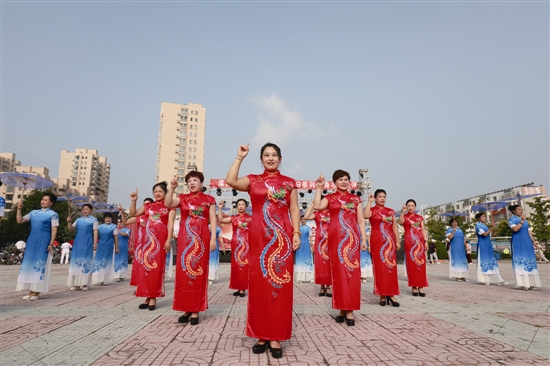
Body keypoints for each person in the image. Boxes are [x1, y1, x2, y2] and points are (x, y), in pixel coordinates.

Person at [225, 142, 300, 359]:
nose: (270, 158)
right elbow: (231, 181)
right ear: (260, 159)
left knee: (279, 283)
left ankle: (275, 335)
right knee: (258, 284)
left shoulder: (289, 183)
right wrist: (239, 157)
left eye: (274, 155)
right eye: (266, 155)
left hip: (282, 238)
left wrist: (295, 233)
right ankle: (260, 334)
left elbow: (294, 209)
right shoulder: (253, 180)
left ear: (280, 158)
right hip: (257, 236)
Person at [313, 170, 367, 324]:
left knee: (351, 274)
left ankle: (349, 310)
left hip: (352, 240)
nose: (344, 182)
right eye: (340, 179)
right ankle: (341, 308)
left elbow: (361, 220)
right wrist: (319, 188)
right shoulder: (330, 198)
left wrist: (364, 238)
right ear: (335, 182)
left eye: (346, 179)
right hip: (335, 240)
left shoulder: (356, 199)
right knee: (338, 274)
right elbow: (317, 206)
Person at [165, 171, 216, 325]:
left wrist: (213, 237)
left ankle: (195, 310)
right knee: (184, 274)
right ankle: (186, 309)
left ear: (201, 182)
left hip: (202, 239)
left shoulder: (209, 199)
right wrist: (172, 189)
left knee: (198, 274)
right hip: (185, 240)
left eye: (195, 180)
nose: (192, 183)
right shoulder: (182, 198)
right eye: (189, 181)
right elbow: (168, 204)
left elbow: (212, 219)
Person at [129, 183, 176, 310]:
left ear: (165, 193)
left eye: (160, 191)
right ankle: (147, 296)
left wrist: (168, 240)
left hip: (160, 241)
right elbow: (133, 213)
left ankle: (153, 297)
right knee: (145, 269)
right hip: (147, 241)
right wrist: (134, 201)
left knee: (156, 268)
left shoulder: (169, 207)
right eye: (155, 191)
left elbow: (171, 224)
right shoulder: (148, 206)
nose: (158, 193)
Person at [15, 193, 59, 300]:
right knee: (29, 264)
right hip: (32, 240)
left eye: (46, 200)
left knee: (40, 264)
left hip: (44, 240)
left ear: (51, 202)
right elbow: (19, 221)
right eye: (42, 199)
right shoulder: (33, 213)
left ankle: (37, 291)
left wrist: (51, 243)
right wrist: (19, 209)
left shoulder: (53, 214)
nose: (43, 201)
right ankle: (31, 290)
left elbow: (54, 229)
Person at [364, 189, 401, 307]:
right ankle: (382, 294)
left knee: (391, 268)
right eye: (379, 196)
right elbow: (365, 215)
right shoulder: (372, 210)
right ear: (375, 198)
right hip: (377, 241)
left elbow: (394, 227)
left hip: (389, 242)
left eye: (384, 196)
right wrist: (369, 202)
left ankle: (391, 294)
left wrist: (398, 241)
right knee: (380, 269)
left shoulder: (390, 211)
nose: (382, 198)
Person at [217, 199, 251, 297]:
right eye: (239, 204)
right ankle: (238, 287)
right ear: (236, 206)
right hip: (235, 243)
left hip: (246, 244)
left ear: (246, 206)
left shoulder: (250, 218)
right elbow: (221, 219)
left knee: (244, 266)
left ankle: (243, 289)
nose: (241, 206)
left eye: (243, 204)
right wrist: (220, 209)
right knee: (236, 266)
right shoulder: (233, 218)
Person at [398, 199, 429, 296]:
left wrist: (426, 241)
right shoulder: (405, 217)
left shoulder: (420, 218)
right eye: (408, 206)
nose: (410, 207)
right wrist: (402, 212)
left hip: (420, 243)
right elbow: (399, 222)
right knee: (411, 265)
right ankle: (414, 286)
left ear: (415, 207)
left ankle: (421, 286)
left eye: (412, 205)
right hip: (409, 243)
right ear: (406, 207)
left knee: (421, 264)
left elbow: (423, 230)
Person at [508, 205, 541, 290]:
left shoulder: (525, 220)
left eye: (521, 209)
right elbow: (515, 229)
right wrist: (522, 221)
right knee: (521, 261)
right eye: (518, 209)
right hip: (518, 242)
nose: (520, 210)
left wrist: (534, 242)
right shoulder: (512, 220)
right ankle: (523, 284)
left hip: (527, 242)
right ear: (513, 211)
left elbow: (529, 231)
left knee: (530, 261)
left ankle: (532, 284)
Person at [67, 204, 98, 291]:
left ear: (91, 210)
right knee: (76, 262)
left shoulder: (94, 220)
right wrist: (69, 222)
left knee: (86, 261)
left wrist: (95, 244)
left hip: (87, 242)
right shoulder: (78, 220)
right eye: (83, 209)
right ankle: (75, 284)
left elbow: (95, 232)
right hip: (77, 243)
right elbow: (71, 229)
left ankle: (84, 283)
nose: (85, 211)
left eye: (87, 209)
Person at [303, 205, 332, 296]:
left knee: (329, 263)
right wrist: (311, 206)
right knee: (320, 263)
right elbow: (306, 216)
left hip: (330, 240)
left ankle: (328, 287)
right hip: (320, 241)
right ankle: (322, 286)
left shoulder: (332, 214)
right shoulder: (317, 214)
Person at [128, 198, 154, 287]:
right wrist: (123, 213)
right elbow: (126, 221)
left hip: (151, 244)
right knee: (139, 265)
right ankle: (140, 285)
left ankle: (148, 286)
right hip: (140, 244)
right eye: (144, 204)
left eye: (148, 204)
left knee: (148, 265)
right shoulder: (139, 218)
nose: (146, 206)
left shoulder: (154, 217)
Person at [475, 213, 506, 285]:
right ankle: (485, 279)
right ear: (479, 218)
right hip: (482, 244)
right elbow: (484, 234)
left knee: (491, 260)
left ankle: (495, 279)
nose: (484, 218)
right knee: (484, 260)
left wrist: (491, 227)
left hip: (488, 244)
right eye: (483, 217)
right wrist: (492, 228)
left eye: (485, 217)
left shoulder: (484, 225)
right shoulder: (478, 225)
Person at [92, 212, 119, 285]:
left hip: (109, 245)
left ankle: (104, 279)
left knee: (107, 261)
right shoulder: (99, 226)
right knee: (98, 260)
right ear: (104, 219)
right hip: (101, 245)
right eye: (106, 218)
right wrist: (95, 244)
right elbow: (95, 235)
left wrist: (116, 247)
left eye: (109, 218)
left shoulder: (114, 226)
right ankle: (97, 279)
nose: (108, 219)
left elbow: (116, 237)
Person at [294, 216, 314, 283]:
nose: (303, 220)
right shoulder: (297, 229)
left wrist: (312, 246)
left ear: (306, 220)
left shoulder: (309, 228)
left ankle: (308, 278)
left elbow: (311, 237)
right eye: (301, 219)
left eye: (304, 219)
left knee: (307, 259)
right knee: (300, 259)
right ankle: (300, 278)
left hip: (306, 245)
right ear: (299, 220)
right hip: (299, 245)